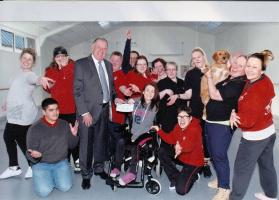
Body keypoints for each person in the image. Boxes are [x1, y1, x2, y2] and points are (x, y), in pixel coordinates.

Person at [73, 38, 121, 190]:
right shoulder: (81, 64)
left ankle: (99, 168)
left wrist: (115, 98)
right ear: (92, 47)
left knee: (101, 142)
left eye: (105, 48)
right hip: (88, 112)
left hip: (105, 110)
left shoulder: (107, 65)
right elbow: (77, 91)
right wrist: (84, 112)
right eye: (99, 47)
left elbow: (110, 87)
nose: (102, 51)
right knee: (86, 145)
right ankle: (86, 175)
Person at [229, 52, 277, 200]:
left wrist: (234, 116)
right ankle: (270, 195)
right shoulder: (264, 79)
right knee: (266, 165)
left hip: (254, 138)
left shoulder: (255, 91)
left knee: (241, 170)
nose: (249, 69)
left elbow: (248, 121)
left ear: (261, 70)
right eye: (248, 65)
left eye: (254, 67)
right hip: (269, 132)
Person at [0, 48, 53, 180]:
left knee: (13, 138)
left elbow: (35, 79)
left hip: (22, 114)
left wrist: (41, 79)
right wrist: (7, 102)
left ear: (33, 63)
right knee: (16, 138)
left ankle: (19, 167)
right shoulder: (16, 75)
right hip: (14, 112)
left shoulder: (30, 75)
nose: (26, 61)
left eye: (30, 59)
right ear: (20, 59)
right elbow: (14, 90)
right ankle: (24, 166)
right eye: (24, 58)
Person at [204, 55, 247, 200]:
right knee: (213, 154)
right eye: (235, 63)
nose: (235, 66)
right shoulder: (230, 79)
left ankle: (224, 189)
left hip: (221, 125)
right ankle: (221, 179)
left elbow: (215, 95)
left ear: (244, 70)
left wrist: (209, 77)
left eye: (240, 66)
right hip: (211, 121)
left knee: (219, 156)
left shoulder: (239, 83)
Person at [26, 98, 79, 197]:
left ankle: (52, 176)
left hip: (60, 162)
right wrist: (35, 156)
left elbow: (72, 145)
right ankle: (43, 176)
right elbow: (29, 153)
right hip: (41, 164)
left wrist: (74, 135)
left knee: (65, 187)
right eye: (51, 110)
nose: (55, 112)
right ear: (43, 112)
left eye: (57, 109)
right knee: (44, 192)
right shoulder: (34, 128)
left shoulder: (64, 124)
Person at [152, 106, 204, 195]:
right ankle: (175, 177)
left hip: (194, 161)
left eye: (185, 117)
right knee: (161, 151)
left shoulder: (195, 129)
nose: (181, 120)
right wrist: (159, 130)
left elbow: (189, 146)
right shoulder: (177, 126)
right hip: (180, 155)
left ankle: (193, 176)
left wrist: (180, 147)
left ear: (190, 118)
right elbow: (170, 138)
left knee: (181, 190)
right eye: (179, 117)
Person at [44, 46, 80, 173]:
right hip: (56, 111)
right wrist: (48, 85)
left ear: (67, 56)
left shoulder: (74, 66)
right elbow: (48, 88)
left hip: (71, 108)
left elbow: (74, 81)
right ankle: (64, 159)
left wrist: (64, 67)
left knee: (74, 135)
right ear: (54, 58)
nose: (60, 58)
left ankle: (77, 160)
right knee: (60, 137)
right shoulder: (50, 70)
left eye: (62, 56)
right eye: (57, 56)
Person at [118, 83, 160, 185]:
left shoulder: (155, 107)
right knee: (120, 141)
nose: (150, 93)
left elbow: (147, 124)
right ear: (143, 92)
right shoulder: (138, 101)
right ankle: (116, 167)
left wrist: (134, 136)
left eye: (152, 91)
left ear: (155, 94)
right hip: (134, 133)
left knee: (136, 145)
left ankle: (132, 174)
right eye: (147, 90)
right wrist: (129, 100)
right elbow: (129, 103)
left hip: (146, 134)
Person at [183, 47, 212, 177]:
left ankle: (206, 164)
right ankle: (195, 162)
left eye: (198, 57)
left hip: (210, 111)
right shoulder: (190, 74)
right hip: (195, 110)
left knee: (207, 139)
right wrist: (178, 96)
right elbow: (188, 94)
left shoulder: (212, 71)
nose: (196, 60)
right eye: (194, 58)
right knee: (196, 138)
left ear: (203, 56)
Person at [108, 51, 130, 177]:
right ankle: (110, 160)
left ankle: (116, 165)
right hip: (104, 115)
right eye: (113, 60)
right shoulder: (106, 74)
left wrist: (125, 91)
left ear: (121, 62)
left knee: (118, 142)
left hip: (117, 117)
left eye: (117, 60)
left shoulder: (120, 74)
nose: (114, 62)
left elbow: (121, 87)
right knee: (108, 141)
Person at [157, 61, 187, 133]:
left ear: (176, 70)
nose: (171, 71)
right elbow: (156, 98)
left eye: (173, 69)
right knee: (167, 141)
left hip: (181, 117)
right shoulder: (161, 83)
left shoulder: (182, 82)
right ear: (166, 71)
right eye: (169, 69)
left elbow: (187, 98)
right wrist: (165, 91)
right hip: (167, 118)